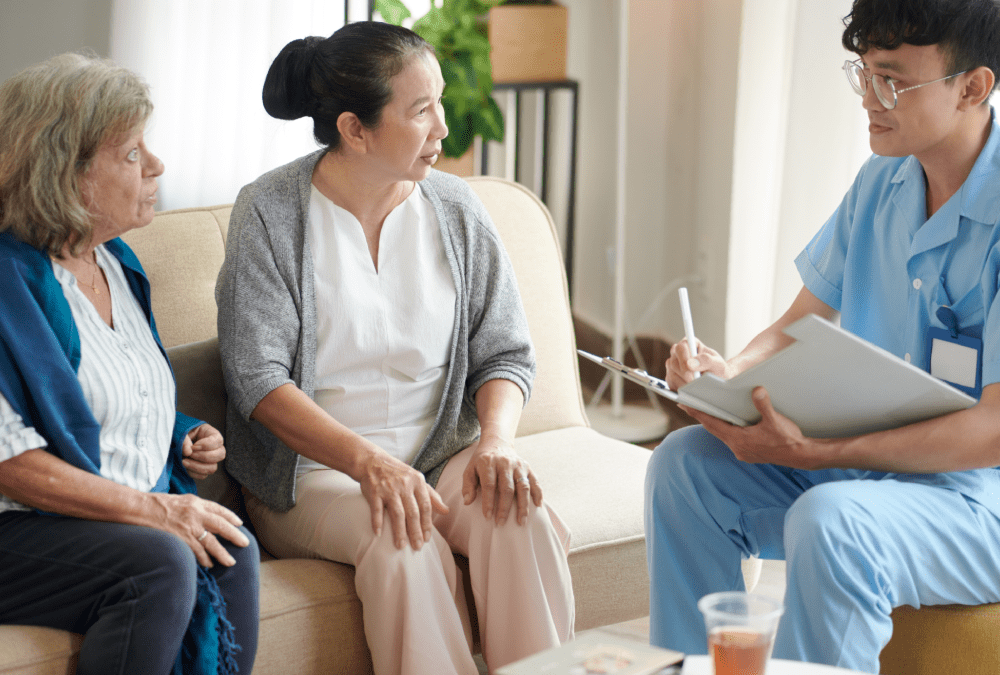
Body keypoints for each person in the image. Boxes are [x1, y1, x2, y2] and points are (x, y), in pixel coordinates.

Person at [644, 0, 1000, 672]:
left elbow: (991, 430)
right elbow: (797, 324)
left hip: (977, 497)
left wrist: (818, 451)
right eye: (861, 74)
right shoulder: (882, 181)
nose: (869, 98)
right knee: (683, 466)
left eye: (891, 80)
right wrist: (726, 373)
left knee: (832, 520)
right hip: (871, 463)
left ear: (973, 86)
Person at [216, 21, 575, 675]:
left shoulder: (457, 208)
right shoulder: (270, 211)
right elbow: (256, 377)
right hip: (313, 474)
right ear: (355, 129)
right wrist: (369, 465)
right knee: (403, 537)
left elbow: (504, 351)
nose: (442, 126)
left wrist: (495, 441)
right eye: (420, 111)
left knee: (518, 514)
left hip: (439, 456)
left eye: (438, 101)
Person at [0, 53, 259, 675]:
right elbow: (9, 460)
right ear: (65, 172)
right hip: (20, 524)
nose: (157, 166)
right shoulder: (10, 281)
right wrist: (158, 510)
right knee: (159, 559)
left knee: (230, 544)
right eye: (131, 153)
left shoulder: (117, 263)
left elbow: (113, 395)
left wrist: (183, 434)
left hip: (94, 514)